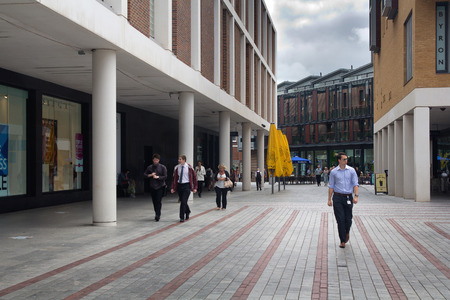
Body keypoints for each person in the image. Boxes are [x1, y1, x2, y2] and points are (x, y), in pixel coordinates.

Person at [328, 152, 359, 249]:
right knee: (340, 220)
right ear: (339, 160)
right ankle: (342, 240)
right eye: (344, 159)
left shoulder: (351, 170)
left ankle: (346, 232)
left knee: (348, 219)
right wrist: (329, 199)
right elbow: (331, 186)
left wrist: (356, 196)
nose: (346, 161)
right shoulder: (334, 172)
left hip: (348, 197)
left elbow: (355, 184)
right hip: (337, 197)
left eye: (346, 159)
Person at [171, 155, 197, 222]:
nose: (178, 160)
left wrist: (195, 187)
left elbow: (194, 177)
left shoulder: (189, 167)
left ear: (184, 160)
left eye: (180, 159)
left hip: (187, 185)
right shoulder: (177, 167)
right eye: (178, 159)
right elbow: (174, 178)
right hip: (180, 185)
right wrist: (172, 187)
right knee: (183, 201)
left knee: (183, 201)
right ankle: (187, 211)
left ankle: (181, 217)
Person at [144, 153, 167, 222]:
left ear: (159, 160)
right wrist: (150, 175)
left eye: (157, 160)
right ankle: (156, 212)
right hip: (152, 186)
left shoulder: (163, 167)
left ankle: (158, 214)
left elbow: (165, 176)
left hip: (160, 186)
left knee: (158, 200)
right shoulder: (150, 167)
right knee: (154, 201)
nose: (155, 161)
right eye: (154, 160)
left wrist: (158, 177)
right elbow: (144, 175)